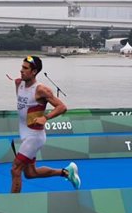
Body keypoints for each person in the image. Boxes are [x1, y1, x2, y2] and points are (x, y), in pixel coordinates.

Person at [6, 55, 81, 193]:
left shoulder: (41, 90)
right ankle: (66, 173)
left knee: (15, 169)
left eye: (25, 68)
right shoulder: (18, 83)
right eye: (21, 67)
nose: (21, 70)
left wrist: (45, 118)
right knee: (30, 173)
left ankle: (13, 205)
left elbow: (62, 107)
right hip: (24, 134)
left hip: (34, 136)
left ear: (34, 72)